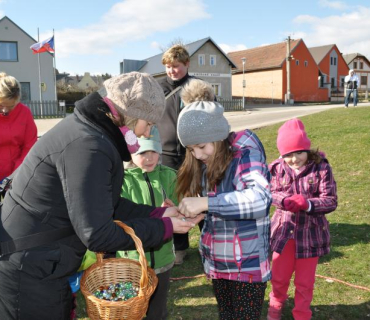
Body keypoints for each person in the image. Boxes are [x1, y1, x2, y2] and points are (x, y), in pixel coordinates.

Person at [0, 72, 196, 320]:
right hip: (30, 267)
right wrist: (163, 227)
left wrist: (159, 213)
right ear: (130, 115)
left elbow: (105, 203)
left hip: (45, 259)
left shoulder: (92, 132)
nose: (147, 133)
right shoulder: (89, 145)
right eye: (148, 123)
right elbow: (98, 234)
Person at [176, 79, 272, 320]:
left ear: (218, 136)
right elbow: (219, 206)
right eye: (191, 150)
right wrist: (197, 212)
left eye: (201, 146)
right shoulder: (208, 160)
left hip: (246, 267)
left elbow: (259, 198)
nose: (197, 155)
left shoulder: (244, 151)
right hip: (218, 263)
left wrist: (207, 204)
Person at [267, 118, 337, 320]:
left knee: (305, 282)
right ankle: (276, 305)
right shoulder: (277, 168)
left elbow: (330, 200)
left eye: (299, 152)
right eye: (288, 154)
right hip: (283, 233)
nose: (294, 159)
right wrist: (285, 199)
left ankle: (302, 314)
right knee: (279, 277)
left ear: (307, 149)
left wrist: (308, 204)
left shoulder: (321, 168)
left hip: (311, 235)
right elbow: (270, 192)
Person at [117, 125, 179, 320]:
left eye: (154, 151)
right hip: (131, 261)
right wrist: (155, 216)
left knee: (157, 311)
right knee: (130, 309)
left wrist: (173, 208)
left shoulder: (169, 176)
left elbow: (181, 210)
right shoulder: (122, 181)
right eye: (143, 152)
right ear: (131, 153)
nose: (150, 157)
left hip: (162, 260)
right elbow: (120, 219)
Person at [157, 44, 196, 264]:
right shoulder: (158, 87)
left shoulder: (197, 85)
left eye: (177, 66)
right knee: (171, 200)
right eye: (169, 67)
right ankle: (178, 247)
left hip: (192, 153)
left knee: (195, 198)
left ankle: (207, 240)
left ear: (187, 64)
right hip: (165, 154)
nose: (172, 71)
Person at [0, 72, 37, 196]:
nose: (5, 110)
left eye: (10, 106)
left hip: (15, 175)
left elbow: (29, 146)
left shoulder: (25, 113)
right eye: (1, 105)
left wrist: (16, 173)